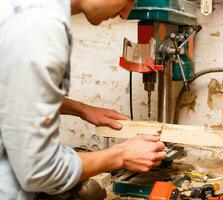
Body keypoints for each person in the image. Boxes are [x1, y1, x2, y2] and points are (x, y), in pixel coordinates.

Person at [0, 0, 167, 199]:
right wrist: (120, 155)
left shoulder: (18, 10)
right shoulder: (41, 28)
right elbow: (39, 171)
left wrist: (80, 109)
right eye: (129, 0)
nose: (125, 13)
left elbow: (13, 92)